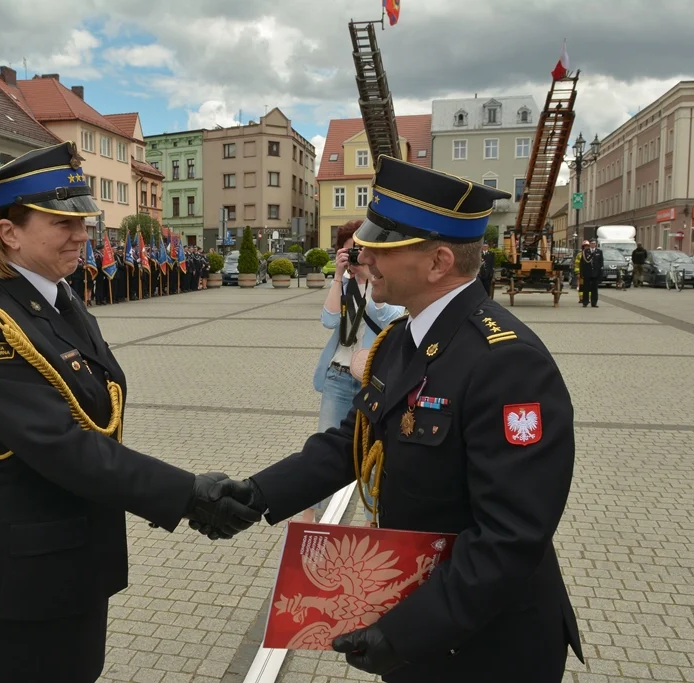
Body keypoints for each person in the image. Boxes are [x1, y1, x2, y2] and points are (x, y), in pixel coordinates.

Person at [193, 158, 584, 682]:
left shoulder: (506, 361)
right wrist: (257, 494)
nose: (365, 256)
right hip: (421, 623)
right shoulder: (403, 338)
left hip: (485, 644)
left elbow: (511, 537)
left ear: (439, 261)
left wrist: (406, 633)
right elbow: (350, 443)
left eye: (384, 247)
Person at [0, 141, 260, 683]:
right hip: (16, 574)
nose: (82, 233)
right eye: (62, 222)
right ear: (9, 231)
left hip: (75, 558)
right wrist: (187, 494)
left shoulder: (60, 300)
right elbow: (64, 447)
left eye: (83, 220)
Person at [307, 219, 404, 522]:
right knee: (324, 450)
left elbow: (390, 317)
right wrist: (339, 277)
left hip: (371, 381)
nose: (356, 257)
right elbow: (328, 320)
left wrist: (366, 278)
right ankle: (313, 517)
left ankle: (372, 520)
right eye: (350, 251)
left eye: (361, 250)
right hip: (338, 377)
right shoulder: (344, 284)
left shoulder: (379, 284)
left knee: (373, 452)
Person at [580, 239, 603, 307]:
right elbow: (582, 263)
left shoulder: (599, 251)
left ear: (596, 244)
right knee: (586, 288)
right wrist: (582, 272)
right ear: (589, 244)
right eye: (592, 243)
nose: (593, 244)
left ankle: (594, 302)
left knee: (594, 289)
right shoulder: (585, 251)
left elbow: (601, 263)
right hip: (587, 272)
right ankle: (585, 302)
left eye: (594, 243)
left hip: (595, 273)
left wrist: (600, 273)